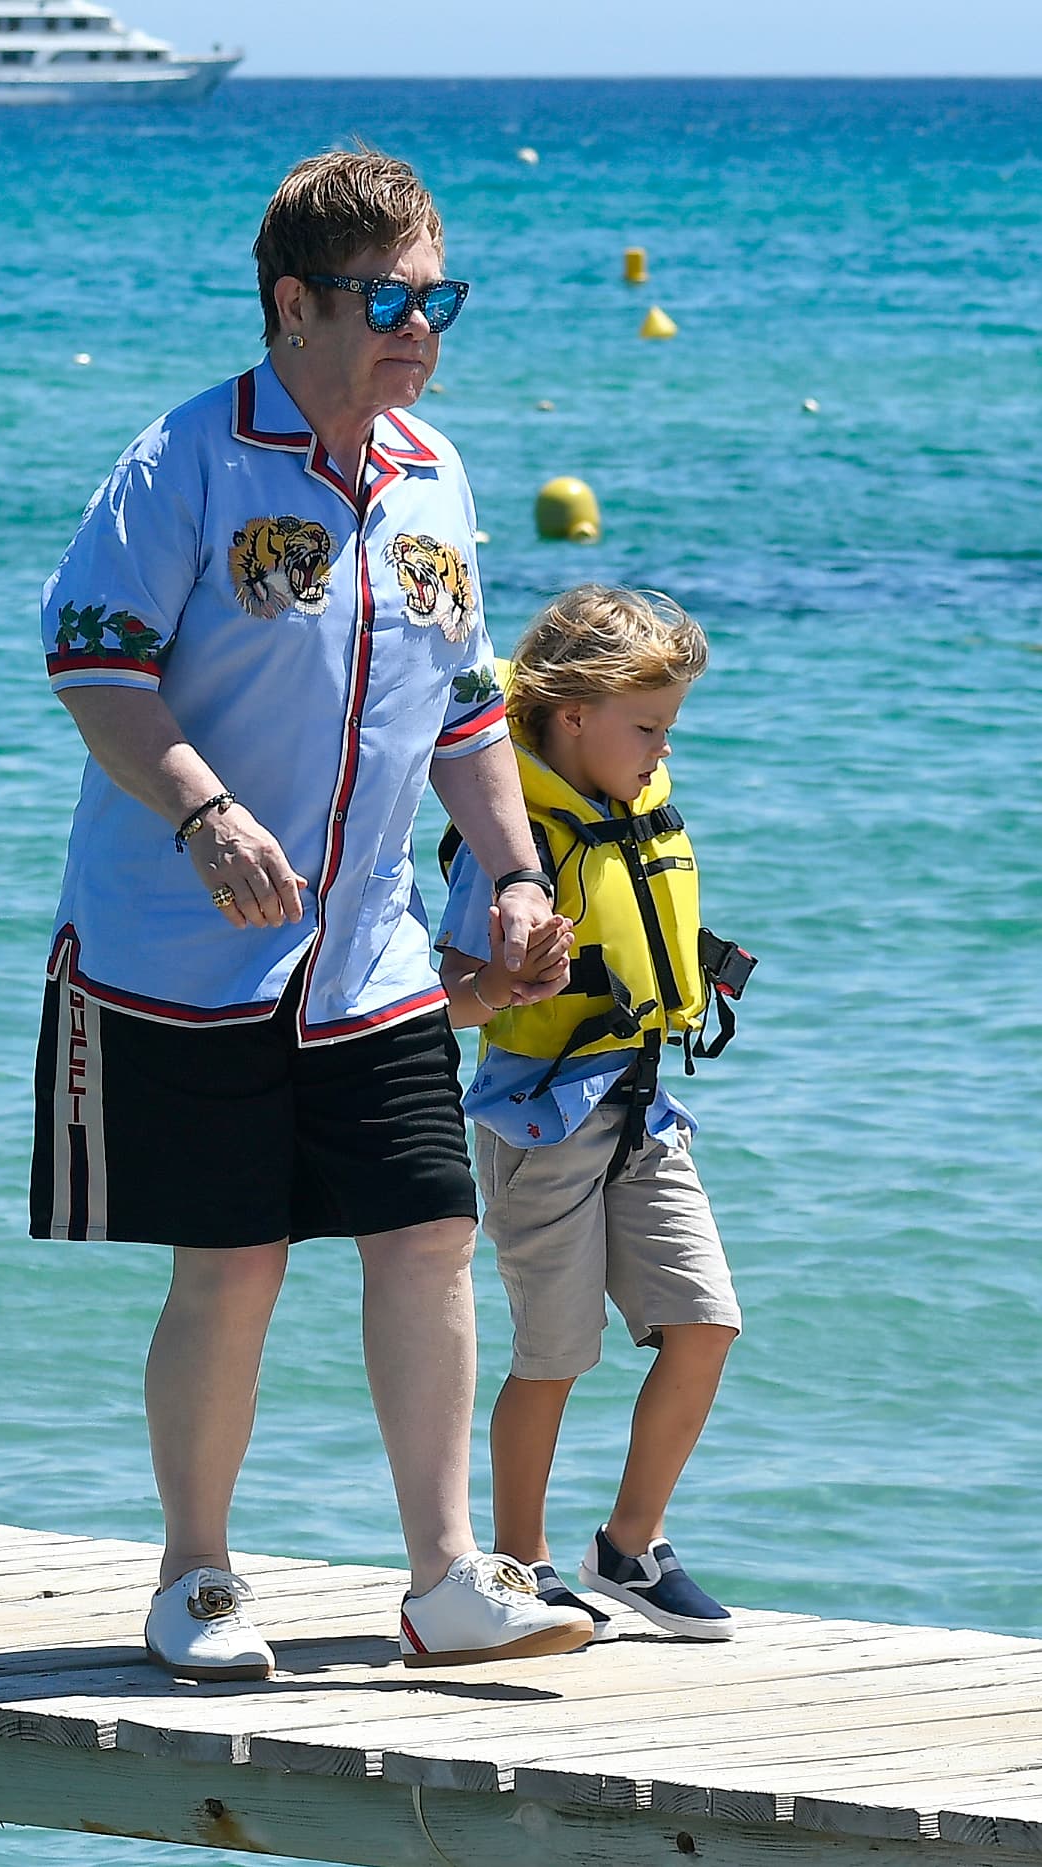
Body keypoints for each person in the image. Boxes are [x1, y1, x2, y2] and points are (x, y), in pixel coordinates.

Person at [29, 150, 594, 1678]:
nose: (423, 326)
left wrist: (520, 871)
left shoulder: (435, 471)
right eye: (391, 297)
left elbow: (465, 707)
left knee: (427, 1233)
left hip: (374, 951)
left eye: (440, 297)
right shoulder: (184, 462)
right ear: (293, 302)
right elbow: (96, 666)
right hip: (185, 948)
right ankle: (197, 1575)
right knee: (234, 1261)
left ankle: (443, 1577)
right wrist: (206, 810)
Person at [437, 584, 752, 1642]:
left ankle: (628, 1549)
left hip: (646, 1113)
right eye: (649, 727)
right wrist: (505, 988)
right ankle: (521, 1567)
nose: (663, 750)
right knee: (554, 1355)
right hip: (541, 1124)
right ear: (572, 716)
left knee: (704, 1324)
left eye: (669, 728)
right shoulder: (507, 839)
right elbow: (442, 992)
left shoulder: (635, 811)